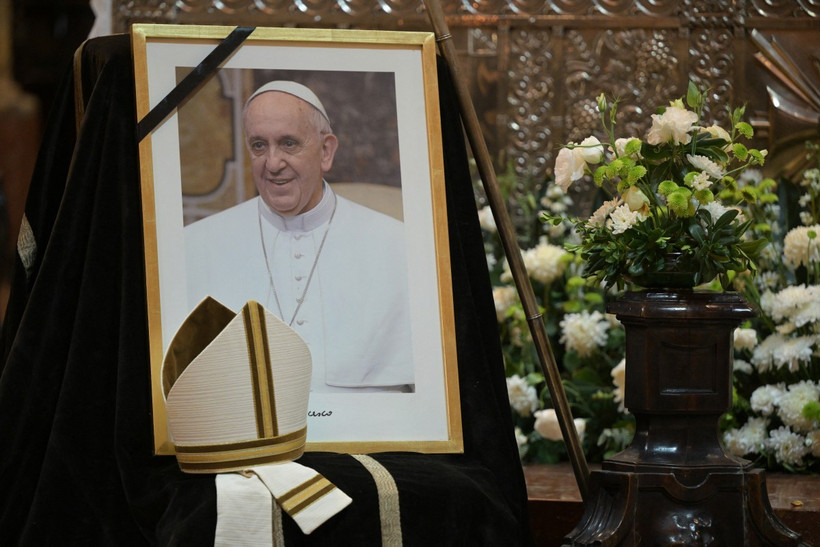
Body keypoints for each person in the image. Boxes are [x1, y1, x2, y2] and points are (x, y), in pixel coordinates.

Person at [184, 80, 413, 393]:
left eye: (289, 143)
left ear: (326, 151)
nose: (273, 163)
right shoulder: (196, 246)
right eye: (259, 146)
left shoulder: (398, 246)